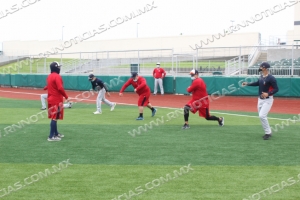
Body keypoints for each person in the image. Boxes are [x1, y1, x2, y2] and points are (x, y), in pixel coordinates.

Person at [242, 62, 279, 140]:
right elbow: (257, 83)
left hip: (268, 100)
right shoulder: (261, 76)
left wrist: (268, 93)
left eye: (261, 67)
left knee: (262, 115)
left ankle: (268, 133)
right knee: (261, 116)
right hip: (260, 99)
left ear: (265, 68)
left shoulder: (271, 78)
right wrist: (247, 84)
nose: (260, 67)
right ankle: (268, 131)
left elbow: (276, 89)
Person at [47, 61, 69, 141]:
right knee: (54, 117)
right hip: (56, 99)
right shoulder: (57, 76)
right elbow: (60, 88)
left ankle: (55, 133)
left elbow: (50, 85)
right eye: (58, 67)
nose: (59, 68)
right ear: (56, 67)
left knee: (54, 117)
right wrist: (66, 97)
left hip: (51, 99)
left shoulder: (49, 76)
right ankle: (51, 136)